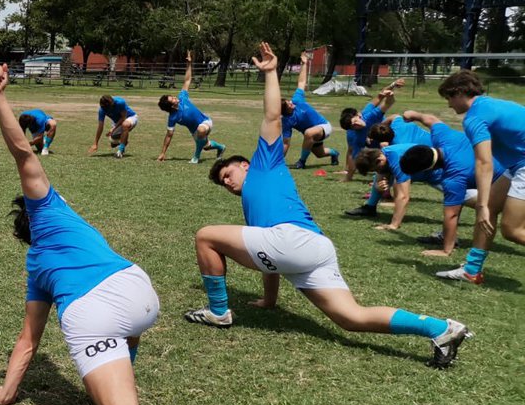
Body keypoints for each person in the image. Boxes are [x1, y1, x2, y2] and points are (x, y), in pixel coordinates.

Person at [0, 62, 186, 405]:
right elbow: (29, 158)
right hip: (139, 290)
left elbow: (29, 342)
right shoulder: (61, 211)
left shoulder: (37, 260)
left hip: (93, 311)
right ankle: (119, 379)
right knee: (125, 338)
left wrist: (5, 392)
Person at [185, 42, 471, 370]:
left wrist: (270, 75)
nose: (227, 181)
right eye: (223, 182)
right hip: (313, 247)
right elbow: (271, 258)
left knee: (206, 235)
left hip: (293, 240)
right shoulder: (256, 206)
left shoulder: (265, 164)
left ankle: (218, 312)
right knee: (351, 317)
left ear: (246, 164)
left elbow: (272, 115)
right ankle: (441, 329)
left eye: (228, 173)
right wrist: (269, 300)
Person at [434, 71, 525, 283]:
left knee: (512, 230)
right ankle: (472, 269)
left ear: (459, 93)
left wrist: (481, 204)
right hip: (517, 164)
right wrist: (484, 205)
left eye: (448, 98)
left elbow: (484, 162)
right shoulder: (490, 104)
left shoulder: (474, 117)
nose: (449, 105)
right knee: (491, 207)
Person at [392, 111, 506, 274]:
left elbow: (452, 215)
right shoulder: (443, 136)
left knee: (512, 229)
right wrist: (415, 115)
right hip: (512, 163)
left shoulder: (453, 179)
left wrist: (446, 250)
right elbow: (430, 118)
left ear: (426, 170)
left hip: (512, 180)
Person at [344, 114, 433, 218]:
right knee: (383, 172)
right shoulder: (397, 126)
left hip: (429, 158)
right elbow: (395, 116)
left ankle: (378, 206)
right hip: (428, 149)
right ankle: (370, 207)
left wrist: (393, 196)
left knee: (392, 173)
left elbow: (399, 178)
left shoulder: (397, 148)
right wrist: (381, 126)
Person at [353, 142, 444, 232]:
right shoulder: (383, 154)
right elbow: (379, 178)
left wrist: (394, 225)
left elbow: (403, 196)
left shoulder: (397, 160)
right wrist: (379, 187)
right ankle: (370, 208)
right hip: (421, 172)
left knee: (456, 196)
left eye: (376, 169)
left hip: (438, 174)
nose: (378, 171)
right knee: (379, 177)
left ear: (379, 160)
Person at [157, 52, 224, 164]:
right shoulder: (173, 118)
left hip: (205, 122)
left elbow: (187, 80)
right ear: (171, 106)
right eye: (172, 99)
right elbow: (169, 136)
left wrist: (189, 64)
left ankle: (195, 158)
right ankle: (221, 147)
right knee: (206, 146)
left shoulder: (182, 98)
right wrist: (163, 153)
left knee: (201, 130)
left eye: (172, 97)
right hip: (196, 132)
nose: (174, 97)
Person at [280, 52, 339, 168]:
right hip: (311, 135)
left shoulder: (297, 100)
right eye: (289, 105)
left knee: (308, 133)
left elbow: (301, 83)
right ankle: (335, 154)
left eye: (289, 101)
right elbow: (286, 143)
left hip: (324, 126)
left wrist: (304, 64)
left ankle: (301, 162)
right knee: (320, 154)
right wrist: (278, 162)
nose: (292, 103)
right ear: (285, 111)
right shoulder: (286, 121)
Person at [339, 78, 404, 181]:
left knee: (387, 144)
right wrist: (348, 175)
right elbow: (353, 154)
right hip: (377, 144)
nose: (357, 124)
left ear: (359, 115)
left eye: (356, 120)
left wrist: (392, 89)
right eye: (353, 125)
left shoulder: (368, 115)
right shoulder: (355, 136)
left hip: (390, 134)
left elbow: (382, 97)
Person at [89, 94, 138, 158]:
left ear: (111, 103)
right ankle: (124, 141)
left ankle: (120, 151)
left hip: (130, 117)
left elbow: (123, 117)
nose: (106, 109)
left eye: (107, 107)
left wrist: (113, 128)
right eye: (104, 108)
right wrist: (95, 143)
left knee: (125, 125)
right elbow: (100, 126)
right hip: (117, 122)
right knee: (113, 143)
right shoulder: (102, 110)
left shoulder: (120, 102)